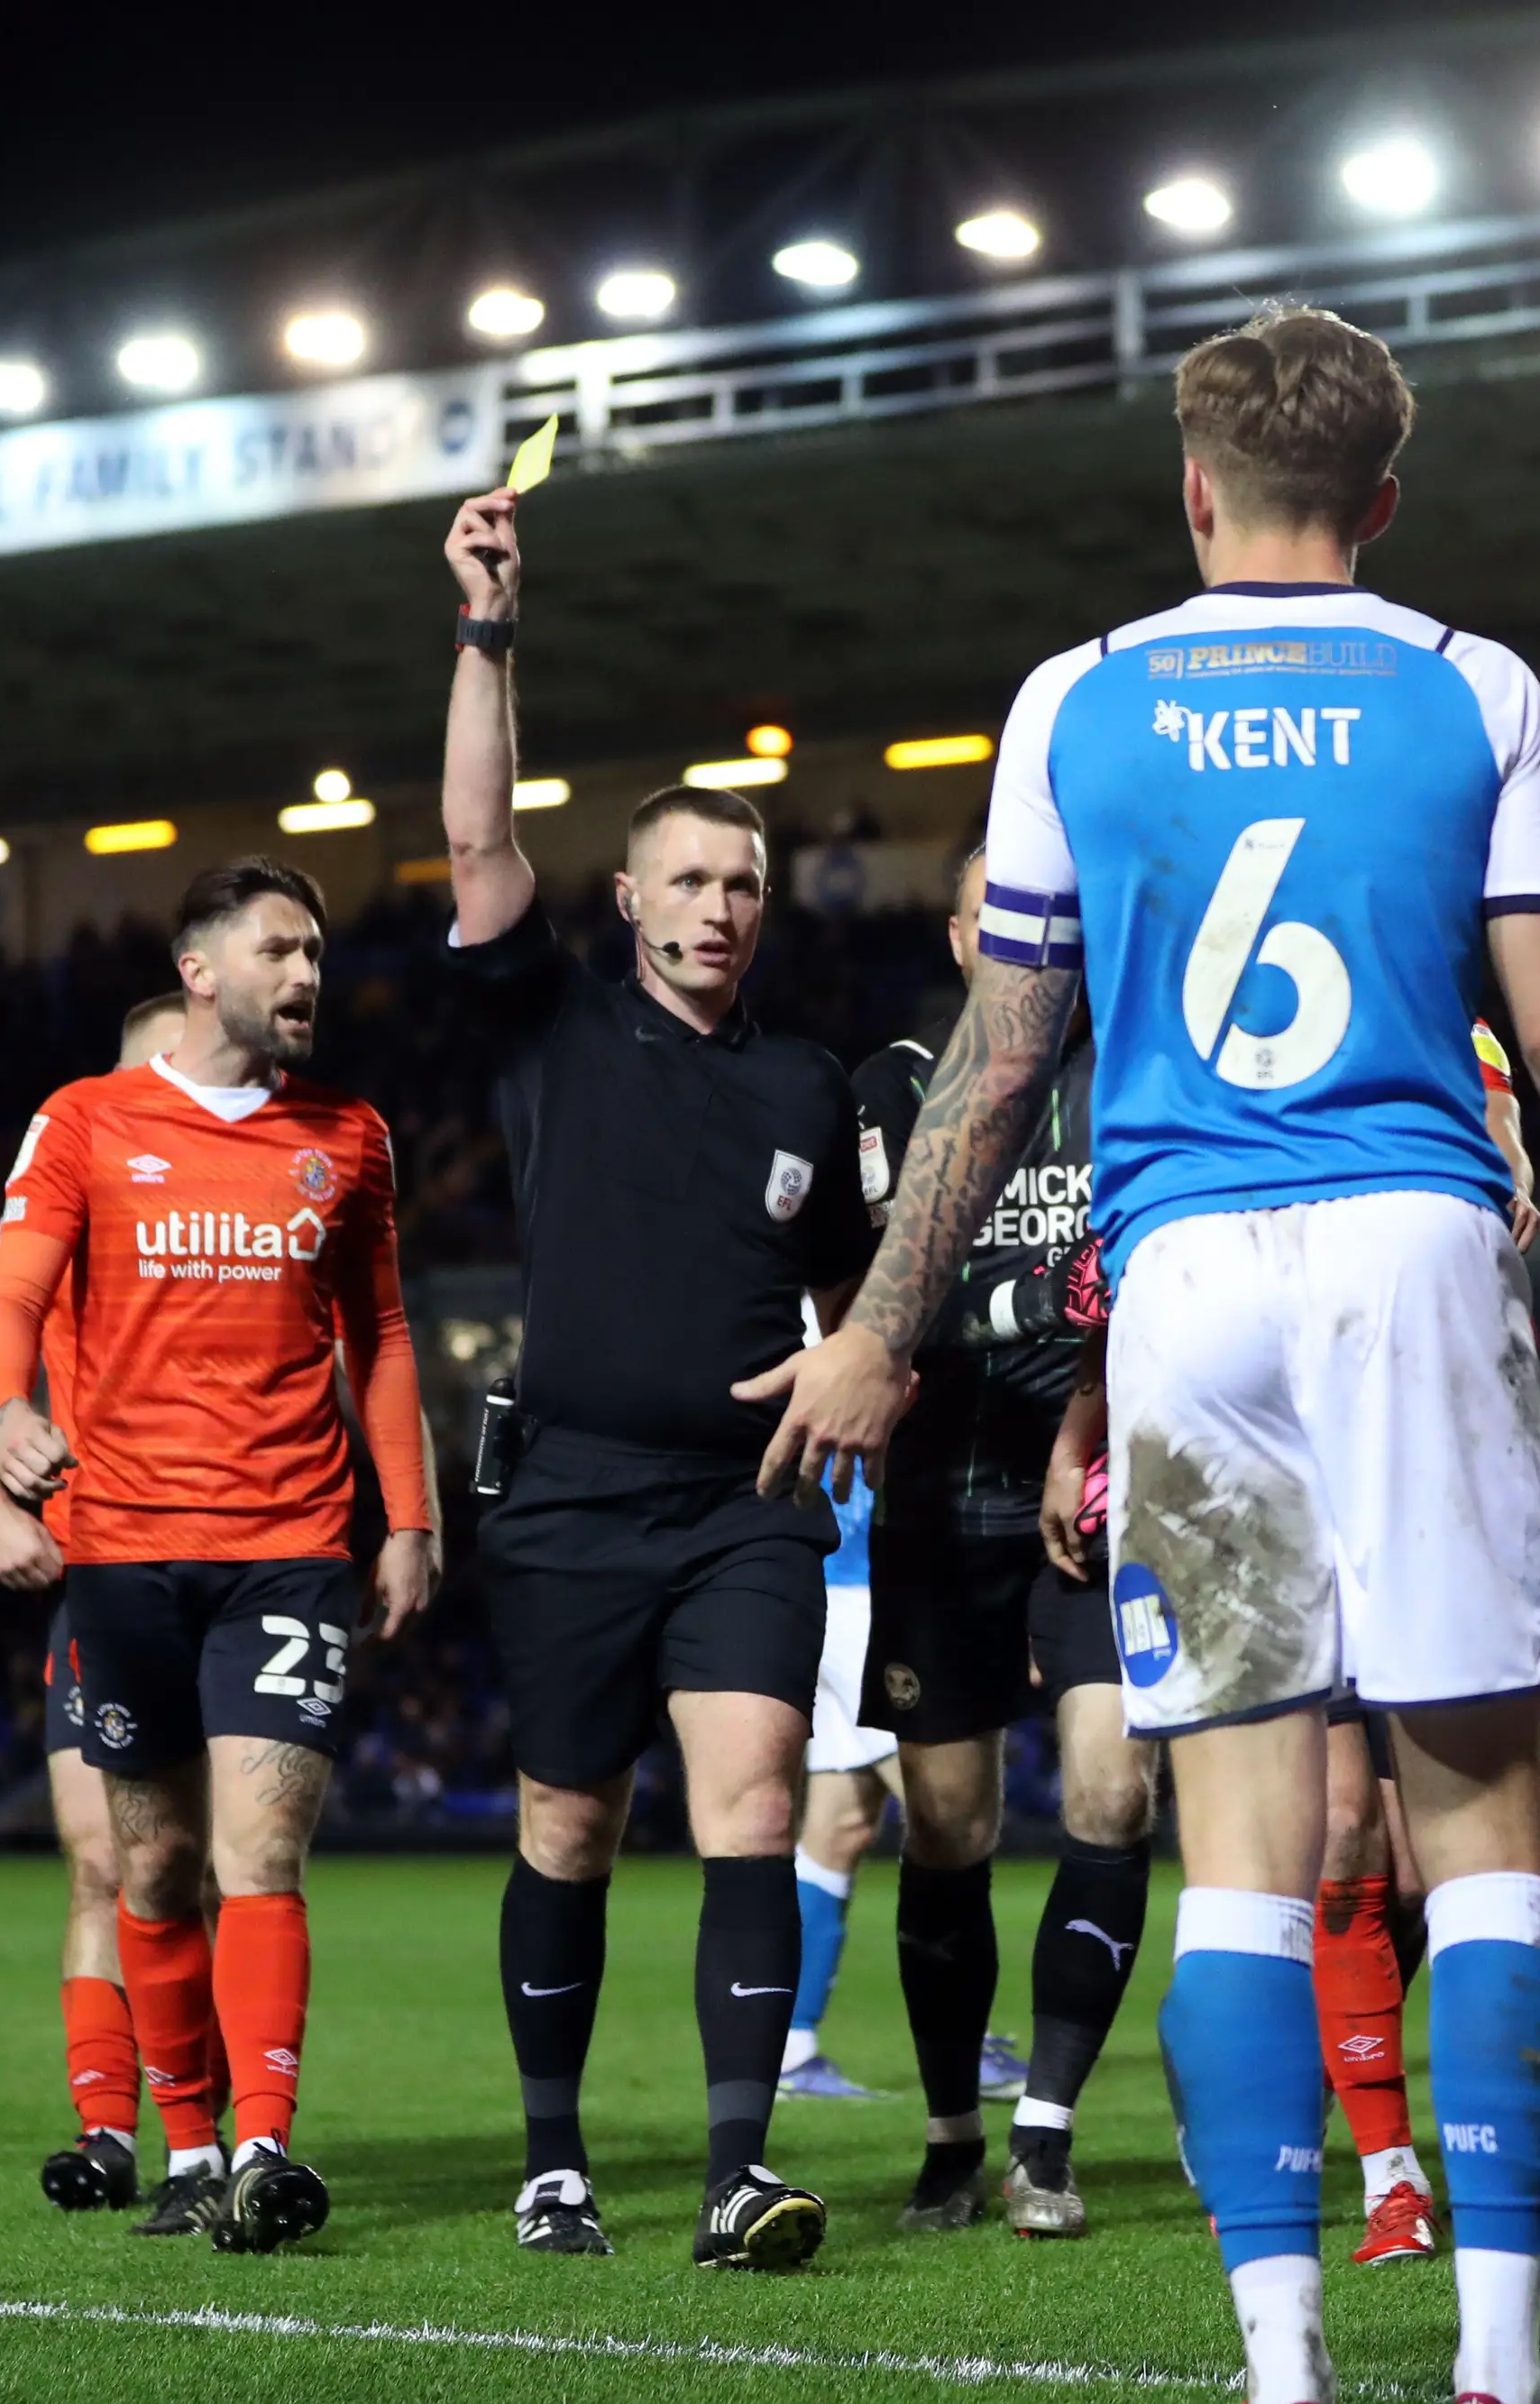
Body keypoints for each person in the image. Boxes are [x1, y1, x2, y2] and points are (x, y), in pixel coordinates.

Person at [747, 299, 1540, 2404]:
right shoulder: (1471, 684)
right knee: (1478, 1821)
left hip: (1186, 1279)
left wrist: (875, 1330)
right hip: (1408, 1243)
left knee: (1241, 1851)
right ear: (1379, 501)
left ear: (1192, 494)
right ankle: (1492, 2353)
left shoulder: (1072, 699)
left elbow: (1002, 1066)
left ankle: (1280, 2356)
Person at [435, 486, 880, 2271]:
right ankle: (552, 2159)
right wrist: (488, 629)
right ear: (626, 898)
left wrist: (864, 1354)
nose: (719, 906)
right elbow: (476, 842)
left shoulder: (806, 1080)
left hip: (745, 1506)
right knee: (568, 1820)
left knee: (755, 1800)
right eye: (688, 877)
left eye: (743, 883)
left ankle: (734, 2168)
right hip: (565, 1492)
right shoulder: (550, 1020)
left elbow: (854, 1280)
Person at [0, 856, 435, 2254]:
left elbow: (388, 1337)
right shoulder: (88, 1121)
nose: (310, 975)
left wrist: (408, 1515)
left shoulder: (350, 1135)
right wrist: (6, 1417)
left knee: (262, 1850)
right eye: (282, 949)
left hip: (290, 1547)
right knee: (156, 1867)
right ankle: (183, 2139)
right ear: (201, 970)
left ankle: (262, 2148)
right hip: (123, 1554)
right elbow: (12, 1298)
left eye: (317, 951)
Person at [845, 844, 1155, 2242]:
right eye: (1014, 916)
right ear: (965, 929)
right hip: (936, 1507)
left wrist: (1071, 1360)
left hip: (1094, 1503)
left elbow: (1153, 1271)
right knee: (951, 1825)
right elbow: (897, 1292)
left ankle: (1047, 2132)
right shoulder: (899, 1086)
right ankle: (946, 2137)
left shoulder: (1133, 1071)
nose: (1042, 940)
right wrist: (1048, 1296)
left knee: (1113, 1796)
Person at [0, 991, 185, 2216]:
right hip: (99, 1579)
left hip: (234, 1572)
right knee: (101, 1860)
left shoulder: (231, 1217)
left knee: (204, 1866)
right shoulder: (73, 1191)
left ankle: (216, 2125)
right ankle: (106, 2126)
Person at [1317, 1017, 1540, 2269]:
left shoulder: (1460, 1029)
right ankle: (1391, 2178)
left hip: (1427, 1458)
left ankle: (1340, 2076)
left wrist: (1506, 1172)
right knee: (1342, 1829)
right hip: (1295, 1454)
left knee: (1414, 1875)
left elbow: (1508, 1134)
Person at [782, 1464, 898, 2102]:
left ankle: (791, 2051)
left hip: (821, 1582)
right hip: (862, 1586)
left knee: (840, 1827)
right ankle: (962, 2040)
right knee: (949, 1813)